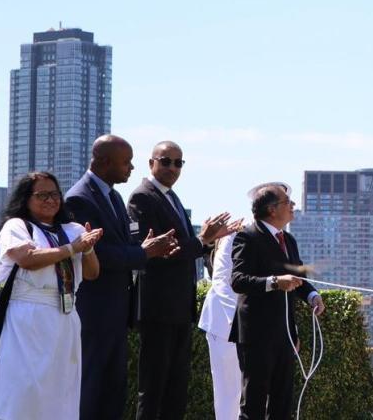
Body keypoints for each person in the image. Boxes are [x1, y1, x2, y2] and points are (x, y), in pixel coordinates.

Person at [69, 135, 180, 420]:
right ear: (104, 161)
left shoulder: (114, 196)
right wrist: (144, 253)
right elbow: (98, 253)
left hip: (117, 311)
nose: (131, 168)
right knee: (91, 387)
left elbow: (127, 244)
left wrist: (150, 249)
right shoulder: (79, 198)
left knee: (113, 390)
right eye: (126, 162)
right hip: (95, 311)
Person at [129, 140, 240, 420]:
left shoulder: (171, 197)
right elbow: (157, 251)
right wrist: (204, 239)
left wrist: (208, 239)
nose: (172, 168)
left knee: (176, 389)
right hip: (158, 308)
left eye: (178, 163)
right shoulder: (142, 197)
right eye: (165, 161)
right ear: (151, 163)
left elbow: (185, 246)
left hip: (179, 309)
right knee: (153, 388)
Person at [0, 171, 103, 420]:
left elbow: (92, 273)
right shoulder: (17, 226)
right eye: (42, 195)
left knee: (61, 388)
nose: (50, 200)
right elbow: (27, 260)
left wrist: (87, 249)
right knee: (24, 388)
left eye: (55, 194)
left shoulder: (73, 229)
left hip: (64, 316)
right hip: (27, 317)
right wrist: (72, 248)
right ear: (26, 199)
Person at [230, 183, 325, 420]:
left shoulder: (289, 240)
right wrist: (274, 281)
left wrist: (312, 296)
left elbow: (299, 278)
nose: (293, 206)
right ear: (272, 209)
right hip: (256, 335)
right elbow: (238, 280)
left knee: (282, 404)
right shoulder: (248, 236)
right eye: (288, 202)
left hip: (284, 336)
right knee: (253, 403)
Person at [199, 216, 251, 420]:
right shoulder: (236, 236)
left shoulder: (273, 241)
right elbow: (221, 281)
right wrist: (243, 325)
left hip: (251, 330)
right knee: (229, 398)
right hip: (226, 327)